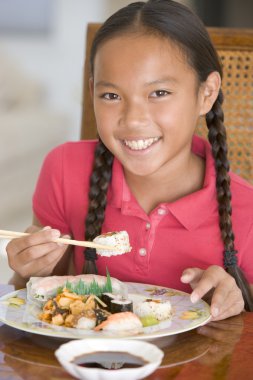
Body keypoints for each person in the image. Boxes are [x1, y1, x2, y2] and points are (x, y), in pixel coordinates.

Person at [7, 0, 253, 319]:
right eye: (111, 96)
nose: (133, 119)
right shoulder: (65, 170)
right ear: (93, 90)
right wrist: (27, 271)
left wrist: (237, 302)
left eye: (159, 93)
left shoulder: (245, 211)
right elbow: (35, 306)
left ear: (206, 94)